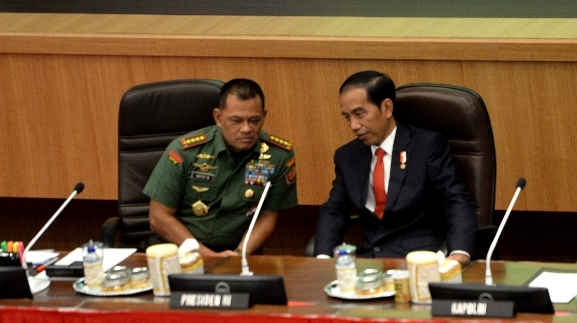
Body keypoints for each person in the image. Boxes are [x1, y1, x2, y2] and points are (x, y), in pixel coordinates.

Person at [314, 70, 477, 263]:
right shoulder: (347, 156)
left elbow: (455, 198)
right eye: (347, 117)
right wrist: (322, 259)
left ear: (387, 108)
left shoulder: (426, 146)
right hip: (369, 261)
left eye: (359, 114)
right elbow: (335, 210)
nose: (354, 125)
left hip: (418, 260)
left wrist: (459, 252)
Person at [143, 78, 297, 257]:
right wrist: (209, 256)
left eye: (254, 120)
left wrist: (240, 253)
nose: (246, 129)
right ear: (218, 117)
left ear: (264, 116)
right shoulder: (185, 151)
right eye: (236, 121)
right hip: (180, 253)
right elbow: (158, 218)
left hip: (238, 255)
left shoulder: (278, 155)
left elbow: (267, 215)